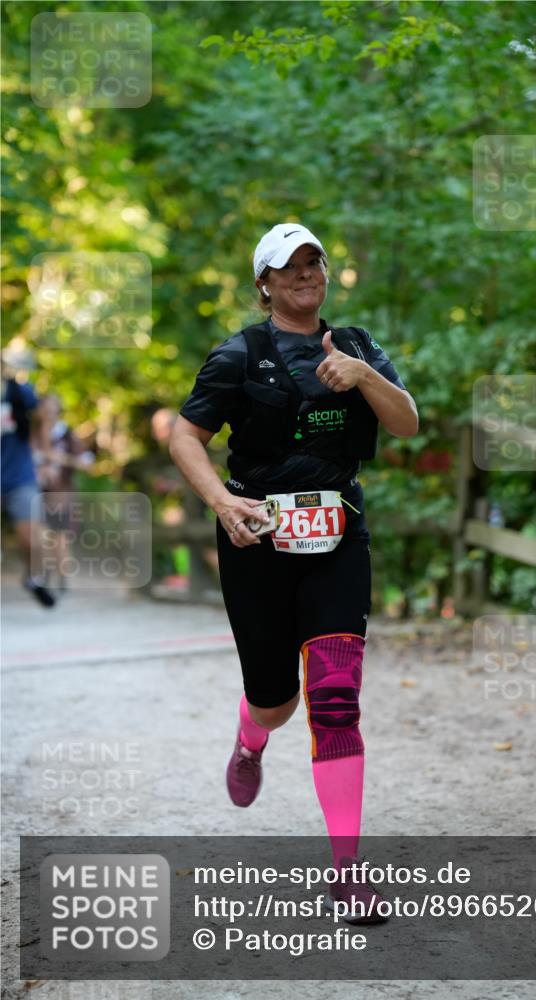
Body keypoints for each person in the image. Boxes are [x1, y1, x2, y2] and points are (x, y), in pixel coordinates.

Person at [170, 223, 418, 923]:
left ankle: (347, 873)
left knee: (335, 699)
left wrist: (363, 376)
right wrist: (220, 501)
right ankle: (251, 739)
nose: (305, 274)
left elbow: (405, 424)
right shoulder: (237, 357)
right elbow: (183, 435)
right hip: (259, 540)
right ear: (266, 282)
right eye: (290, 267)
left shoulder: (357, 345)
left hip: (338, 532)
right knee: (277, 701)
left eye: (314, 263)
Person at [0, 353, 56, 607]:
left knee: (30, 537)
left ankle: (34, 578)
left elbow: (42, 420)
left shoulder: (20, 392)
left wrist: (46, 459)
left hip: (18, 475)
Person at [32, 393, 95, 593]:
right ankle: (44, 574)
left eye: (53, 407)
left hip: (61, 493)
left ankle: (61, 578)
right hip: (35, 493)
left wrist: (61, 459)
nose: (49, 412)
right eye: (46, 408)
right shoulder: (31, 435)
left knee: (59, 537)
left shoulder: (65, 434)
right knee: (40, 536)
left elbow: (86, 461)